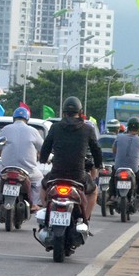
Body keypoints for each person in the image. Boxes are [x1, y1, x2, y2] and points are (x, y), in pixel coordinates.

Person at [39, 96, 102, 226]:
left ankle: (47, 212)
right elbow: (96, 149)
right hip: (78, 176)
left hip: (57, 174)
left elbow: (46, 147)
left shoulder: (55, 127)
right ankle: (85, 221)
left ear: (63, 112)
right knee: (94, 190)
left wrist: (43, 159)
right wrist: (98, 164)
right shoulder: (87, 129)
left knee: (43, 186)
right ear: (80, 112)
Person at [0, 106, 44, 211]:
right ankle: (34, 204)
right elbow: (42, 148)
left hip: (6, 168)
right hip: (28, 170)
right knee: (39, 181)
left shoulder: (6, 129)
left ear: (14, 118)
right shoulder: (33, 131)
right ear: (27, 119)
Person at [109, 117, 139, 204]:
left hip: (118, 167)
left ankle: (112, 196)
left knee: (113, 178)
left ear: (128, 127)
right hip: (134, 169)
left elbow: (114, 150)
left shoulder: (119, 137)